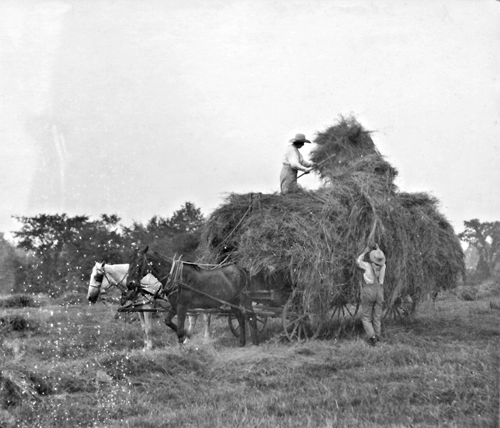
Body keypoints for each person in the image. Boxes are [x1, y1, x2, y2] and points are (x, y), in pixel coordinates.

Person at [356, 243, 386, 346]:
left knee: (366, 317)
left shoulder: (367, 265)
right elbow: (380, 257)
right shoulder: (383, 266)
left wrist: (365, 251)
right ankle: (377, 337)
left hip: (369, 290)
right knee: (377, 317)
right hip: (379, 291)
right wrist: (378, 249)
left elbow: (358, 261)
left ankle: (372, 337)